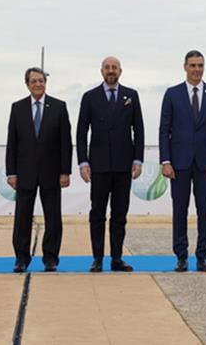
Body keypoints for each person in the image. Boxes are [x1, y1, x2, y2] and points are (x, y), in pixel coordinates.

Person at [159, 50, 206, 272]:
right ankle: (181, 256)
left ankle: (202, 256)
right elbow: (164, 129)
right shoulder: (172, 94)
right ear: (185, 67)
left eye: (200, 65)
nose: (197, 69)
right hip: (178, 163)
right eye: (193, 65)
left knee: (204, 210)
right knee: (179, 210)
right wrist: (165, 160)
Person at [77, 57, 144, 273]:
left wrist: (137, 159)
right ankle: (97, 258)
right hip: (99, 166)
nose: (111, 71)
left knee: (119, 214)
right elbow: (81, 132)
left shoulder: (131, 96)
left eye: (114, 67)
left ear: (120, 71)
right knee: (97, 213)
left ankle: (117, 258)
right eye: (107, 68)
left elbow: (139, 130)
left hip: (124, 166)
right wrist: (83, 162)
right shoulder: (90, 97)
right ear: (101, 71)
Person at [6, 67, 72, 272]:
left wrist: (65, 171)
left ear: (46, 83)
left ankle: (50, 258)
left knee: (53, 218)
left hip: (51, 172)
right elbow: (12, 143)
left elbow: (65, 142)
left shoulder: (59, 107)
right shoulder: (17, 108)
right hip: (24, 173)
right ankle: (21, 259)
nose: (38, 84)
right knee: (22, 218)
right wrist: (11, 172)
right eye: (33, 81)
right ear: (27, 84)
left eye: (41, 81)